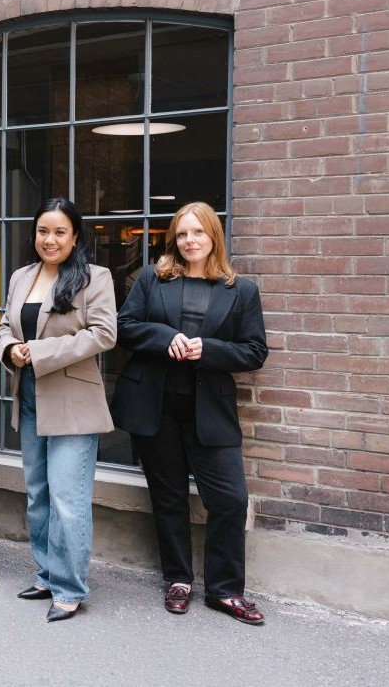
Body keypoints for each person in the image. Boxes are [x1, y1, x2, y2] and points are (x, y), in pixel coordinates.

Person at [112, 201, 268, 625]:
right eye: (182, 234)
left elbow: (255, 351)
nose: (189, 241)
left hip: (209, 411)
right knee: (169, 499)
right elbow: (123, 327)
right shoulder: (152, 277)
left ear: (213, 236)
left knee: (231, 500)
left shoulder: (242, 290)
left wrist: (209, 350)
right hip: (156, 407)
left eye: (198, 232)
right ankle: (178, 580)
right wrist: (166, 337)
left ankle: (224, 590)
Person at [0, 198, 117, 622]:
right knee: (38, 495)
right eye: (43, 231)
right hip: (28, 393)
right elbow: (5, 327)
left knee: (69, 498)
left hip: (73, 401)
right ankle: (48, 573)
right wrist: (10, 348)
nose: (50, 240)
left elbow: (104, 334)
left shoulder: (94, 278)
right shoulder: (21, 276)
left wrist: (40, 352)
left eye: (59, 232)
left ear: (75, 237)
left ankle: (70, 587)